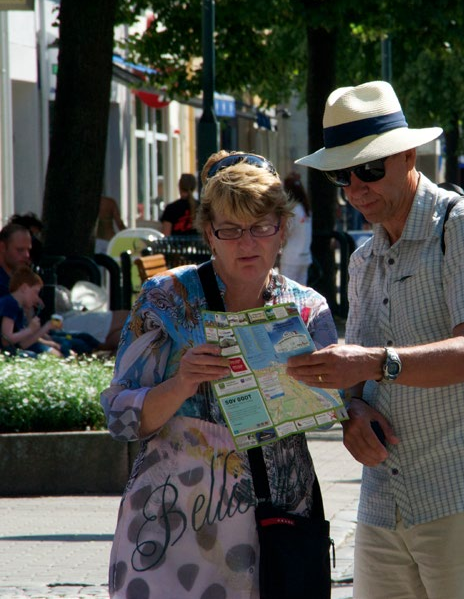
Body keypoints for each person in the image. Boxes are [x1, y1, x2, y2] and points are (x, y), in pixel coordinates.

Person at [287, 81, 464, 599]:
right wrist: (351, 413)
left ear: (408, 155)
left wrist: (372, 363)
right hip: (384, 499)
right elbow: (361, 379)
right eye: (341, 175)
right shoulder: (362, 258)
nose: (356, 186)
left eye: (370, 168)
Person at [101, 150, 338, 598]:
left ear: (282, 230)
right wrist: (181, 383)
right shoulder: (167, 298)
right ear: (209, 233)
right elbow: (120, 417)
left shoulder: (307, 309)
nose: (247, 242)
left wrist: (325, 386)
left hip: (276, 528)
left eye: (261, 226)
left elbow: (337, 410)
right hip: (171, 530)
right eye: (230, 229)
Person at [0, 222, 126, 352]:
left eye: (28, 250)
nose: (27, 255)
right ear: (2, 247)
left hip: (45, 331)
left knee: (89, 340)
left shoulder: (19, 276)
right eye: (20, 250)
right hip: (33, 338)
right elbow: (11, 337)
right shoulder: (6, 286)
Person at [0, 266, 62, 357]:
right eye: (35, 292)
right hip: (4, 352)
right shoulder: (10, 303)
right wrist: (30, 329)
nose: (37, 298)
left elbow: (23, 344)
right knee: (33, 356)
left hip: (10, 350)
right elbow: (6, 340)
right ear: (24, 288)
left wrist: (45, 327)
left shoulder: (18, 307)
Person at [281, 171, 313, 284]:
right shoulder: (306, 209)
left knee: (286, 292)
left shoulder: (293, 210)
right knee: (300, 294)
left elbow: (285, 232)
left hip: (291, 258)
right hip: (305, 257)